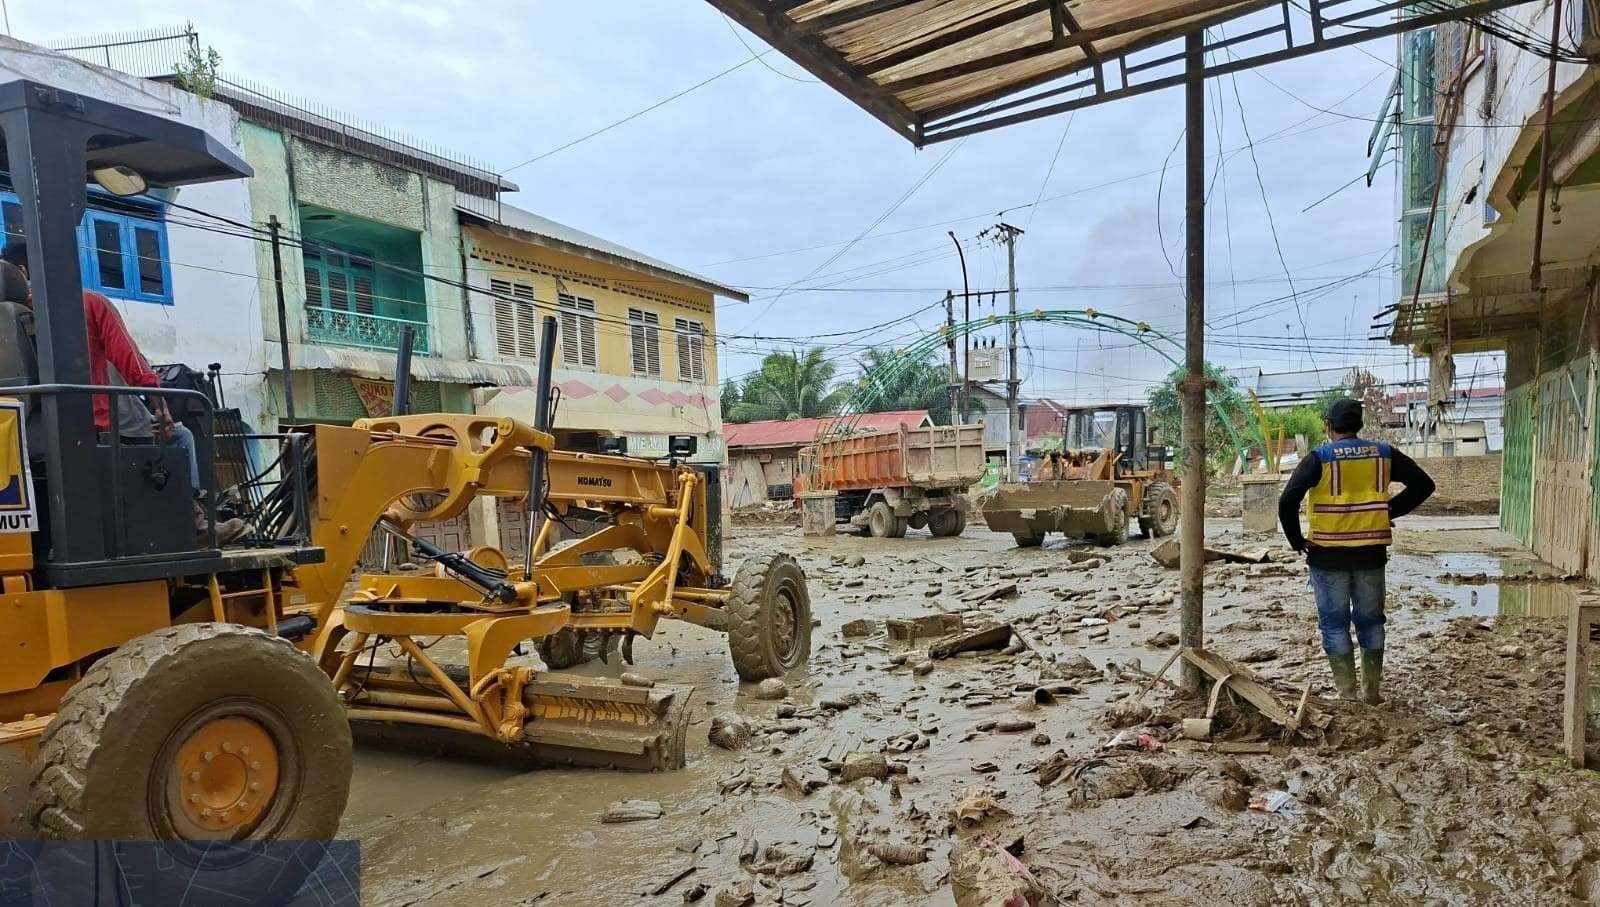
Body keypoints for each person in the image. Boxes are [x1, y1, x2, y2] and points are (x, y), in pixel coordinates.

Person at [0, 246, 244, 544]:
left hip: (26, 441)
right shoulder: (87, 303)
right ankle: (194, 523)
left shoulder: (9, 323)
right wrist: (161, 407)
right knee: (180, 438)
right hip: (96, 430)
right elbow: (130, 360)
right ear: (25, 272)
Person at [1278, 398, 1434, 704]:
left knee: (1335, 625)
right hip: (1370, 554)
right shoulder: (1383, 454)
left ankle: (1347, 697)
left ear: (1328, 427)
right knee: (1372, 622)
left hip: (1327, 556)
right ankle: (1371, 693)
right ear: (1359, 425)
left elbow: (1286, 502)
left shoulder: (1319, 458)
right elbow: (1424, 485)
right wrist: (1389, 509)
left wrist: (1297, 542)